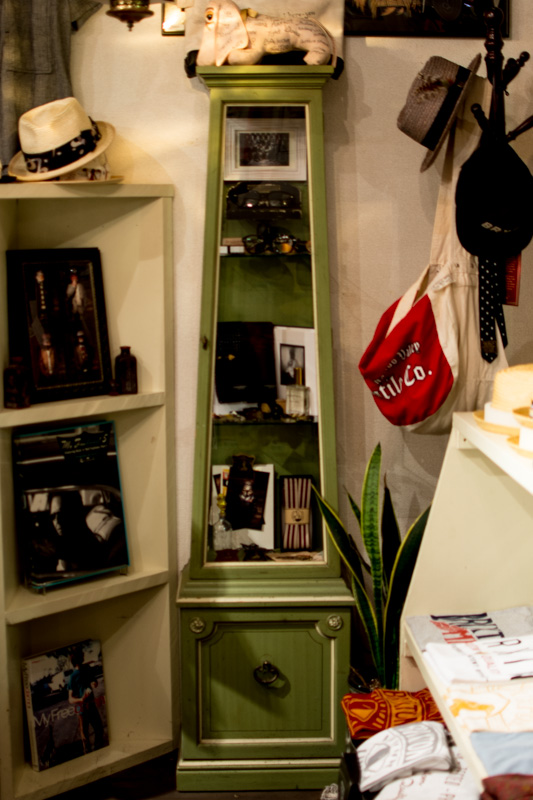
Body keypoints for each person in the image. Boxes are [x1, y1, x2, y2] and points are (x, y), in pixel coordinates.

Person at [67, 646, 106, 754]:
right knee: (84, 734)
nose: (84, 654)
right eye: (81, 653)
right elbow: (70, 699)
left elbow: (94, 681)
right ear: (77, 657)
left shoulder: (87, 668)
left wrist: (94, 683)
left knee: (99, 729)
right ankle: (87, 753)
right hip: (81, 707)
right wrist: (80, 699)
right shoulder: (73, 677)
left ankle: (98, 751)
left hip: (91, 704)